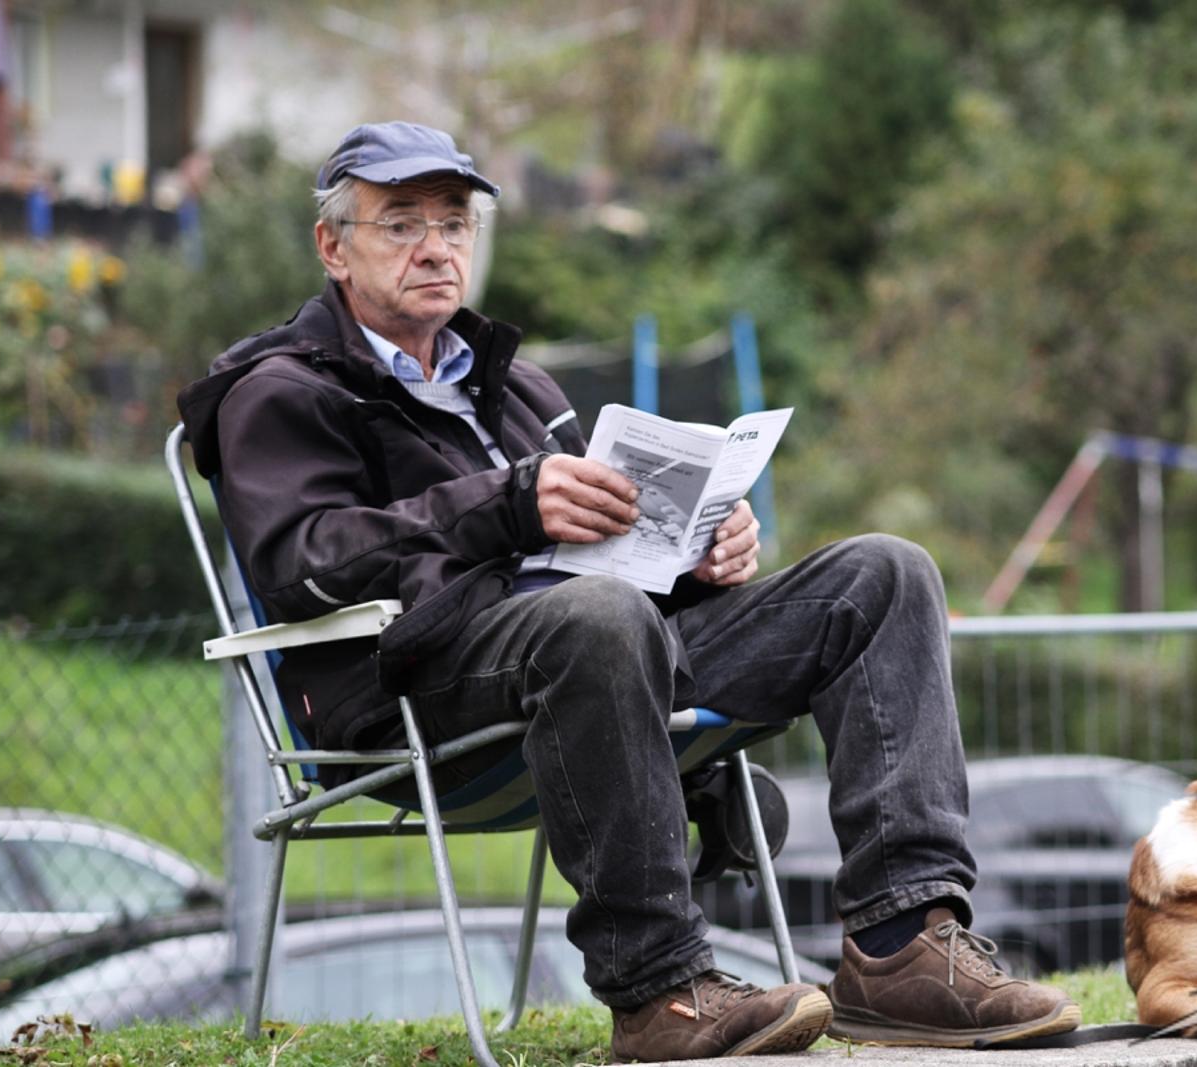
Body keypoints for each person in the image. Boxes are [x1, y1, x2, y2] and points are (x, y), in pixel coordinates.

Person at [177, 121, 1080, 1060]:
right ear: (334, 246)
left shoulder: (517, 386)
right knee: (597, 617)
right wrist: (509, 504)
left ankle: (900, 949)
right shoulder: (281, 389)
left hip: (599, 650)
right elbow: (301, 562)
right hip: (411, 684)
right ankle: (660, 991)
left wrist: (692, 556)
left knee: (885, 573)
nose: (436, 247)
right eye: (402, 223)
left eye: (454, 222)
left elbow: (598, 556)